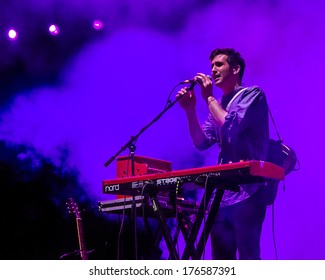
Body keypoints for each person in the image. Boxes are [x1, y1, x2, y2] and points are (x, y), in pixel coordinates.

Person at [177, 48, 271, 260]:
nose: (213, 70)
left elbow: (230, 125)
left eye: (219, 64)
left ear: (235, 69)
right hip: (222, 196)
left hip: (248, 190)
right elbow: (201, 142)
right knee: (221, 261)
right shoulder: (218, 105)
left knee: (248, 259)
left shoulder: (252, 94)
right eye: (212, 66)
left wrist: (208, 97)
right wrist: (190, 111)